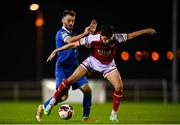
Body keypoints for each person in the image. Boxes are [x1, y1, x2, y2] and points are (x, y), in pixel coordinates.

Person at [45, 24, 157, 122]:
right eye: (104, 38)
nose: (106, 41)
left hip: (108, 66)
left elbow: (132, 35)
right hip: (92, 62)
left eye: (108, 38)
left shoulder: (116, 37)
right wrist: (56, 50)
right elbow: (73, 44)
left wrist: (146, 30)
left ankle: (113, 115)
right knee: (70, 80)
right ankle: (50, 104)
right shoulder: (93, 38)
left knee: (119, 87)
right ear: (101, 34)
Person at [35, 9, 97, 122]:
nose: (71, 23)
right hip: (63, 68)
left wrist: (91, 34)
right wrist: (84, 33)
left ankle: (86, 118)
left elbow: (86, 45)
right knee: (63, 97)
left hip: (75, 68)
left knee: (88, 90)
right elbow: (69, 41)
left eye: (73, 21)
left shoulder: (74, 34)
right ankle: (43, 107)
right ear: (62, 20)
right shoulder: (61, 33)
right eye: (69, 20)